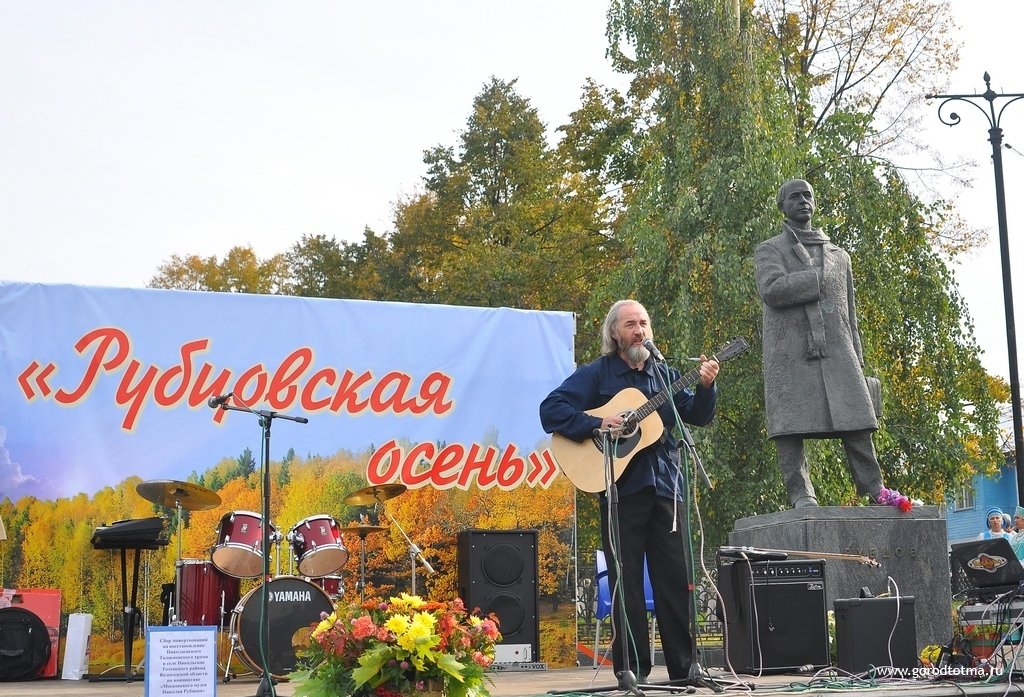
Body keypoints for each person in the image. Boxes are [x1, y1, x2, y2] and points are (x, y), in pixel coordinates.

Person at [539, 299, 720, 684]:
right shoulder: (597, 374)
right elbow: (550, 410)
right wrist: (596, 423)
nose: (640, 331)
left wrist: (706, 386)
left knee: (675, 580)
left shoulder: (664, 375)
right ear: (615, 333)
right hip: (621, 490)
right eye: (631, 324)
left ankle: (684, 670)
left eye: (644, 323)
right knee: (627, 582)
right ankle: (632, 670)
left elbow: (698, 416)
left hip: (667, 486)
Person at [754, 178, 886, 508]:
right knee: (789, 427)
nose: (803, 201)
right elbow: (772, 289)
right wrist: (815, 278)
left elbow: (849, 313)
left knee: (857, 421)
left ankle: (877, 490)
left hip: (838, 349)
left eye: (808, 195)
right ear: (782, 206)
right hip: (790, 352)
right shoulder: (770, 249)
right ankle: (801, 494)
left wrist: (858, 359)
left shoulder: (839, 255)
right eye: (795, 196)